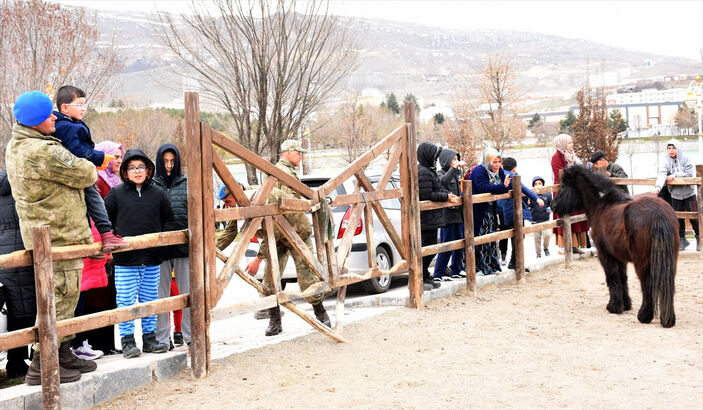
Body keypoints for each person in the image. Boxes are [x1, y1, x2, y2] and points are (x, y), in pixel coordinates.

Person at [6, 90, 97, 385]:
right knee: (60, 296)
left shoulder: (18, 144)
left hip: (50, 232)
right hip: (57, 234)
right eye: (48, 115)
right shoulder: (42, 151)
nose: (54, 118)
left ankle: (62, 350)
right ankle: (42, 361)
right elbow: (86, 173)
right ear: (34, 122)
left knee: (64, 295)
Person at [243, 139, 331, 336]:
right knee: (294, 277)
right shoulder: (281, 172)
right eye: (298, 152)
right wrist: (259, 256)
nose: (301, 155)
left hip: (290, 230)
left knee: (276, 279)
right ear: (288, 153)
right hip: (288, 230)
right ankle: (315, 316)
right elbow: (283, 208)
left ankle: (284, 320)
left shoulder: (284, 172)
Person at [104, 148, 173, 358]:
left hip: (152, 259)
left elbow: (169, 220)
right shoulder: (116, 194)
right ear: (125, 172)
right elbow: (105, 220)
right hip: (125, 260)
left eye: (141, 167)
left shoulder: (159, 194)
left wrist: (161, 243)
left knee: (149, 299)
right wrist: (115, 240)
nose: (137, 171)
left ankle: (150, 339)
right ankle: (127, 342)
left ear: (148, 169)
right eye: (132, 168)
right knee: (125, 300)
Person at [52, 85, 128, 253]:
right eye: (79, 104)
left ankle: (97, 238)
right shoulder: (66, 127)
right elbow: (77, 150)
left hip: (80, 171)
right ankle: (106, 234)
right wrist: (99, 157)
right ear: (64, 107)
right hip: (76, 173)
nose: (83, 109)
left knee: (88, 206)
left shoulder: (71, 124)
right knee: (94, 201)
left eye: (84, 105)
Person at [153, 144, 191, 349]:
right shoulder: (152, 184)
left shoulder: (187, 183)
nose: (169, 166)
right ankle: (162, 338)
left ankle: (190, 335)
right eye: (165, 161)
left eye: (172, 161)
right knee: (161, 296)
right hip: (160, 249)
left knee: (187, 293)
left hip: (184, 246)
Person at [0, 169, 36, 379]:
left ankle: (15, 360)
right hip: (25, 247)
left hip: (4, 256)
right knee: (30, 306)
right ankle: (32, 355)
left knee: (11, 308)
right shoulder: (21, 185)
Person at [417, 142, 459, 290]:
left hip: (431, 217)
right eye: (433, 154)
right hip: (426, 217)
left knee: (431, 247)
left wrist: (446, 194)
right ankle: (420, 276)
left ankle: (425, 275)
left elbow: (439, 187)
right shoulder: (423, 172)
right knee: (427, 247)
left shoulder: (429, 170)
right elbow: (426, 194)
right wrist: (445, 197)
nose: (435, 158)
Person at [467, 148, 512, 275]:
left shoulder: (499, 171)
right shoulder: (479, 171)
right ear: (488, 161)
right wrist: (502, 187)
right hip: (477, 209)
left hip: (490, 209)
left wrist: (504, 186)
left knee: (491, 237)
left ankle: (493, 266)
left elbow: (506, 185)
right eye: (494, 162)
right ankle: (482, 267)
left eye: (499, 162)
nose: (497, 165)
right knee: (481, 238)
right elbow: (483, 188)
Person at [497, 157, 542, 272]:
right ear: (514, 168)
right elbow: (524, 188)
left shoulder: (501, 174)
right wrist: (536, 199)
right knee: (518, 236)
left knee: (516, 236)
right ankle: (515, 263)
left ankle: (514, 262)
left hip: (503, 210)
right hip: (513, 210)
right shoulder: (511, 177)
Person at [653, 139, 700, 251]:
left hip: (689, 193)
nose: (671, 150)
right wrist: (657, 187)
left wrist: (674, 175)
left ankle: (699, 238)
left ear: (678, 148)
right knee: (678, 218)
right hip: (675, 194)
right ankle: (682, 240)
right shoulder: (665, 161)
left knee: (694, 217)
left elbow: (689, 174)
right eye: (669, 148)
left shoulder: (686, 159)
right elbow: (662, 174)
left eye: (673, 148)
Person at [433, 147, 466, 281]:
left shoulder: (456, 174)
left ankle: (456, 269)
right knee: (446, 244)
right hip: (446, 216)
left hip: (458, 214)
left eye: (457, 159)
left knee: (460, 242)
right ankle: (438, 273)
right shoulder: (440, 173)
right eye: (453, 159)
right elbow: (443, 183)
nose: (456, 161)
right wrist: (455, 168)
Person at [551, 134, 588, 254]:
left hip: (574, 191)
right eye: (569, 143)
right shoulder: (556, 157)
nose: (571, 145)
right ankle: (566, 246)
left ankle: (575, 245)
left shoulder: (572, 157)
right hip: (564, 192)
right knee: (566, 217)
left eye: (572, 142)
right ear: (562, 144)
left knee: (576, 217)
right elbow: (560, 175)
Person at [529, 176, 552, 258]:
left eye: (540, 183)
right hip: (535, 219)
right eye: (535, 184)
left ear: (543, 184)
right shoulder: (531, 195)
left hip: (545, 218)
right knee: (537, 238)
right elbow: (529, 206)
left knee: (547, 234)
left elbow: (551, 205)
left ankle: (546, 248)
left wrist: (550, 209)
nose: (538, 185)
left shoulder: (548, 194)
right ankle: (538, 253)